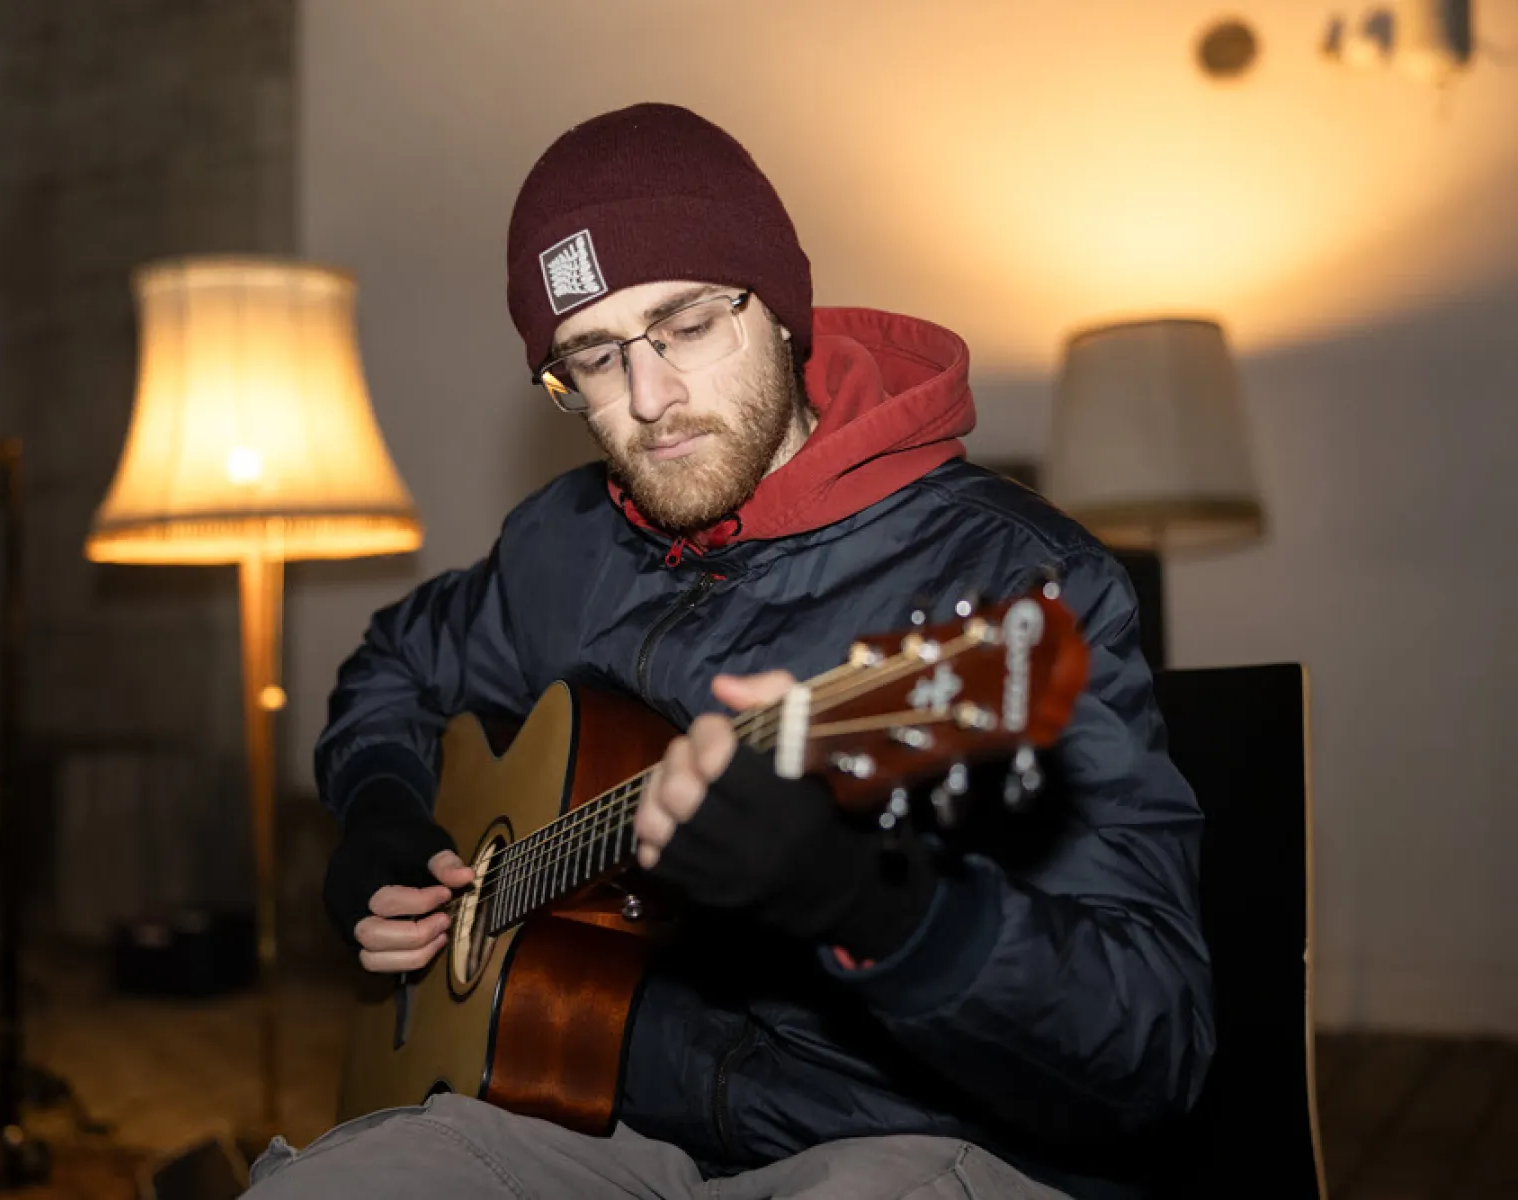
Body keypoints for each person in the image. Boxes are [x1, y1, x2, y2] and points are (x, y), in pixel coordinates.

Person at [243, 103, 1215, 1200]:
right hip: (595, 1114)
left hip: (911, 1140)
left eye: (688, 325)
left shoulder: (1012, 581)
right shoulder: (565, 543)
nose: (649, 401)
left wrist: (876, 903)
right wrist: (380, 809)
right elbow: (395, 667)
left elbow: (1151, 1047)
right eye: (592, 359)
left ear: (782, 309)